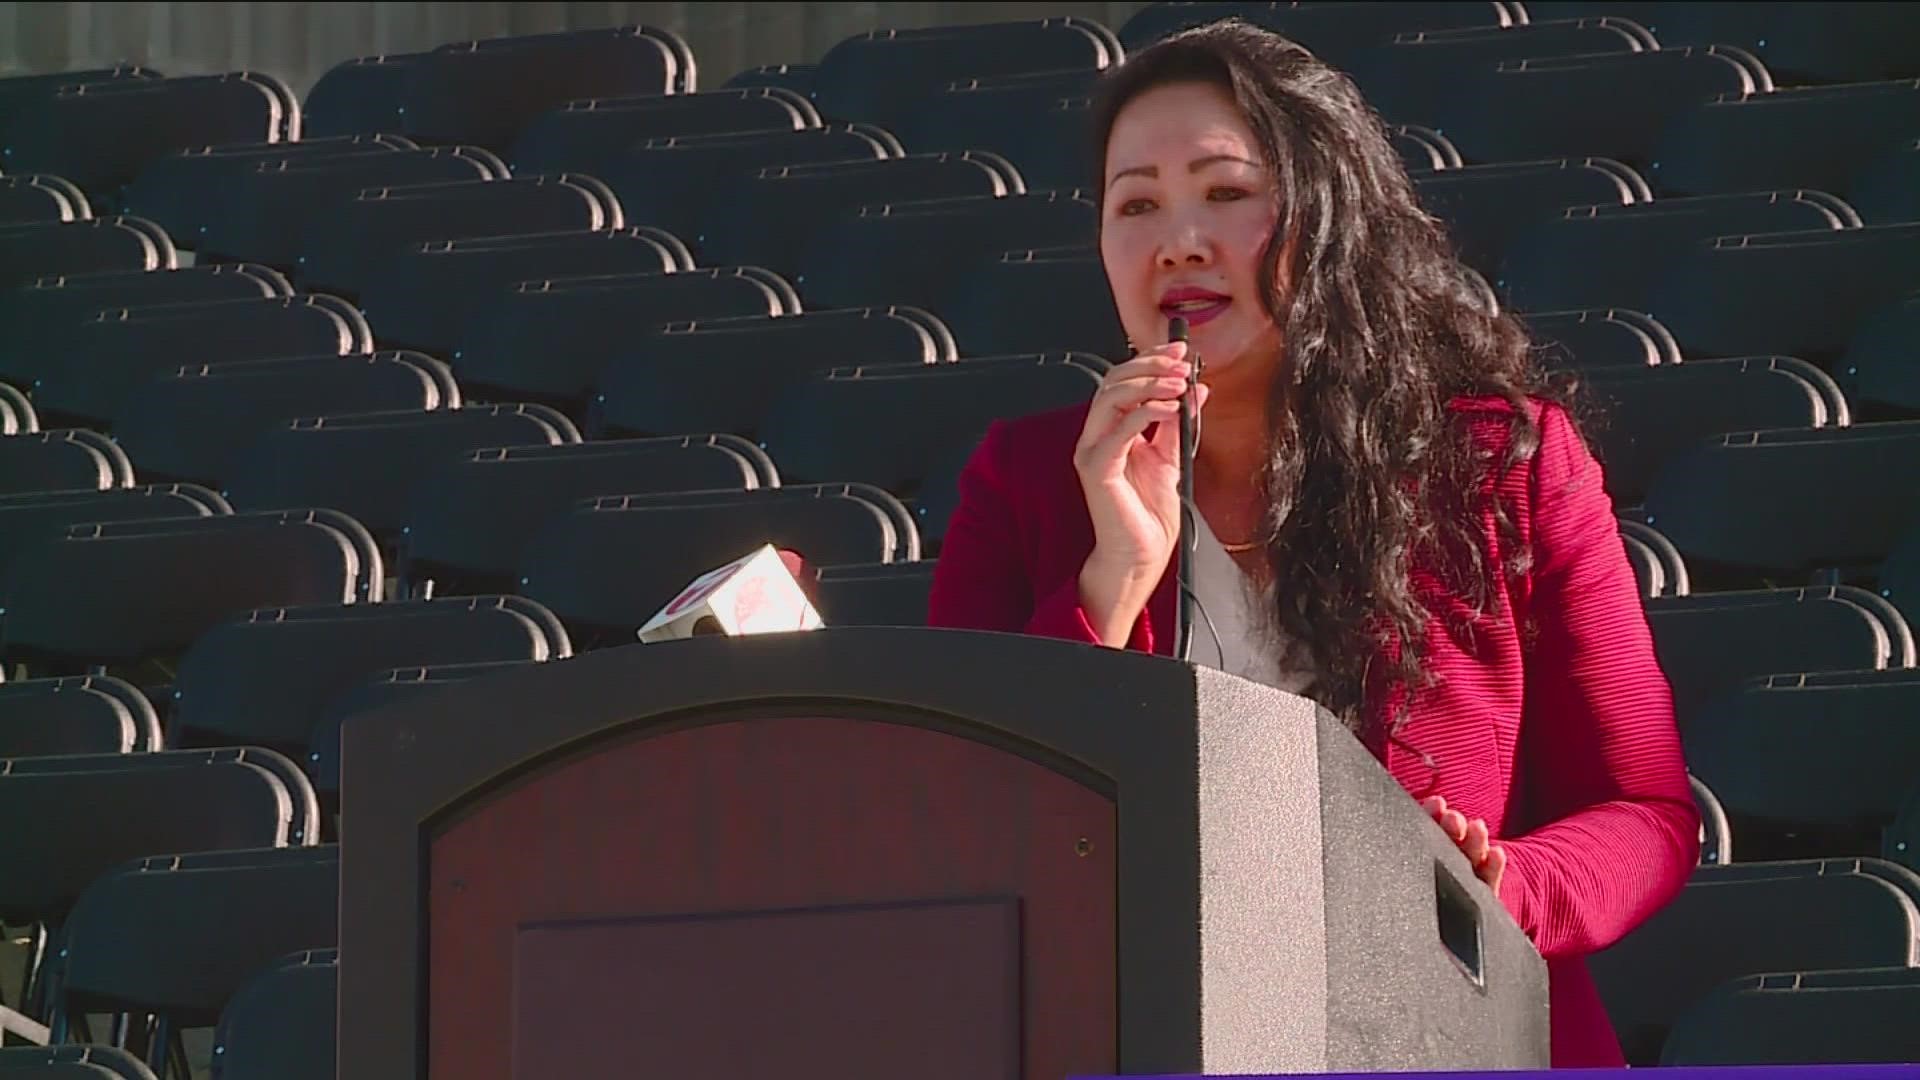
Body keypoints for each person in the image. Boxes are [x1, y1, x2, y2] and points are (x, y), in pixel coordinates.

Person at [927, 19, 1699, 1068]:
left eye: (1226, 192)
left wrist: (1501, 887)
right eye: (1136, 204)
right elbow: (960, 832)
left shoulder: (1499, 463)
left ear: (1327, 214)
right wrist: (1108, 580)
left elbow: (1645, 813)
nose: (1179, 240)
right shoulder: (1025, 479)